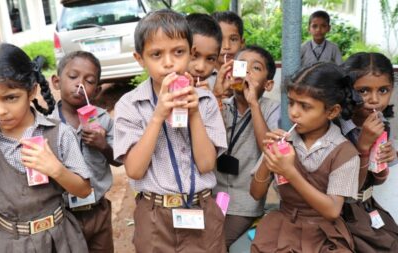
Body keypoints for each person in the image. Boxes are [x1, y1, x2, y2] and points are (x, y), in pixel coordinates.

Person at [0, 43, 92, 253]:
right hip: (9, 244)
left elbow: (84, 190)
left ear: (32, 91)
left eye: (10, 98)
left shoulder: (59, 133)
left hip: (61, 240)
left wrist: (56, 170)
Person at [113, 9, 228, 253]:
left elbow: (207, 164)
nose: (169, 62)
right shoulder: (130, 105)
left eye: (178, 52)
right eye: (156, 54)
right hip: (155, 214)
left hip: (201, 208)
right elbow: (133, 170)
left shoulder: (206, 101)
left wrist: (194, 113)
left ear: (190, 52)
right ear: (140, 58)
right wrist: (157, 116)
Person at [250, 62, 361, 252]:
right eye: (291, 102)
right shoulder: (284, 141)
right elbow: (256, 193)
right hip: (282, 228)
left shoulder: (345, 152)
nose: (294, 112)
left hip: (324, 235)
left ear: (332, 111)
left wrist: (289, 172)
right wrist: (268, 157)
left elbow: (333, 211)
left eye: (305, 106)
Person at [51, 51, 120, 253]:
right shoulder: (47, 124)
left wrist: (103, 146)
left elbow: (120, 161)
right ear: (56, 81)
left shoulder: (103, 120)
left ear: (97, 90)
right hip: (63, 214)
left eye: (88, 81)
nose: (80, 84)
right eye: (73, 77)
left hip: (97, 210)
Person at [212, 45, 280, 249]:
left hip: (244, 204)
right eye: (242, 65)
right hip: (213, 196)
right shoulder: (221, 102)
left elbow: (267, 148)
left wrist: (253, 104)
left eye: (256, 68)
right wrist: (217, 96)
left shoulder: (271, 108)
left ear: (268, 85)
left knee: (217, 245)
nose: (247, 71)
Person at [339, 52, 398, 252]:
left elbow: (377, 180)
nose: (375, 100)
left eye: (383, 90)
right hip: (339, 210)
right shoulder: (333, 128)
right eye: (364, 91)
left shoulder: (382, 125)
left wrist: (383, 164)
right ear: (348, 90)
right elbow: (345, 191)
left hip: (366, 205)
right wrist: (363, 147)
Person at [185, 13, 222, 90]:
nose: (200, 68)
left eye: (210, 59)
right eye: (194, 55)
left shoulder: (217, 86)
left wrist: (212, 98)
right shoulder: (161, 85)